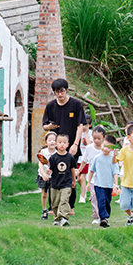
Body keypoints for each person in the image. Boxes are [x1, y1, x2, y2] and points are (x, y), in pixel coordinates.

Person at [42, 78, 86, 213]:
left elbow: (80, 125)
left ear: (67, 90)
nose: (60, 94)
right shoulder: (50, 106)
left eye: (62, 91)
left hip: (71, 146)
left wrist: (75, 144)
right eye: (57, 92)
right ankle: (52, 207)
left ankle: (70, 206)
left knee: (71, 174)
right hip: (55, 148)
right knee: (53, 175)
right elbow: (44, 126)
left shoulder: (76, 104)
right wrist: (49, 126)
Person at [89, 135, 120, 228]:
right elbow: (91, 170)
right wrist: (88, 183)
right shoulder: (97, 158)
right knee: (101, 200)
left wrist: (116, 185)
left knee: (107, 202)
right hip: (98, 184)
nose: (105, 148)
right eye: (104, 145)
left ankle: (105, 217)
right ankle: (103, 218)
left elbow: (115, 173)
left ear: (112, 149)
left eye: (108, 147)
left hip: (109, 185)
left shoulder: (113, 159)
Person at [46, 134, 77, 227]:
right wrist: (48, 171)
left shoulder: (70, 157)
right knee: (54, 203)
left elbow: (72, 169)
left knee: (64, 200)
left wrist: (74, 180)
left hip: (66, 183)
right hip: (55, 183)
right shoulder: (53, 158)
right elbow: (50, 169)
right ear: (56, 144)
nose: (62, 144)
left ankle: (64, 217)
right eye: (60, 142)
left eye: (64, 142)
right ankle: (57, 219)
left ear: (68, 144)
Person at [78, 125, 105, 224]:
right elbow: (84, 161)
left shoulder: (106, 149)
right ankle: (96, 216)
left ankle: (104, 216)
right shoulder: (89, 148)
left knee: (103, 199)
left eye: (99, 138)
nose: (96, 140)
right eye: (94, 138)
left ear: (104, 138)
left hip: (104, 179)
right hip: (93, 179)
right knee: (94, 197)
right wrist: (79, 170)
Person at [36, 132, 57, 220]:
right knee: (44, 194)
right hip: (43, 176)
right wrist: (44, 174)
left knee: (54, 194)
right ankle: (44, 211)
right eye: (50, 140)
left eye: (54, 140)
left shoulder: (57, 153)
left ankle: (55, 211)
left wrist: (51, 170)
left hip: (53, 177)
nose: (52, 142)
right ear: (46, 142)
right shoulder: (43, 152)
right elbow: (40, 164)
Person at [78, 117, 92, 203]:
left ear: (89, 125)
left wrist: (86, 134)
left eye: (85, 125)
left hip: (86, 159)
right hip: (79, 159)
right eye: (82, 125)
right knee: (79, 179)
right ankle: (85, 190)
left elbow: (89, 144)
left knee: (82, 178)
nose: (83, 127)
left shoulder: (91, 133)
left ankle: (82, 197)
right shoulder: (78, 132)